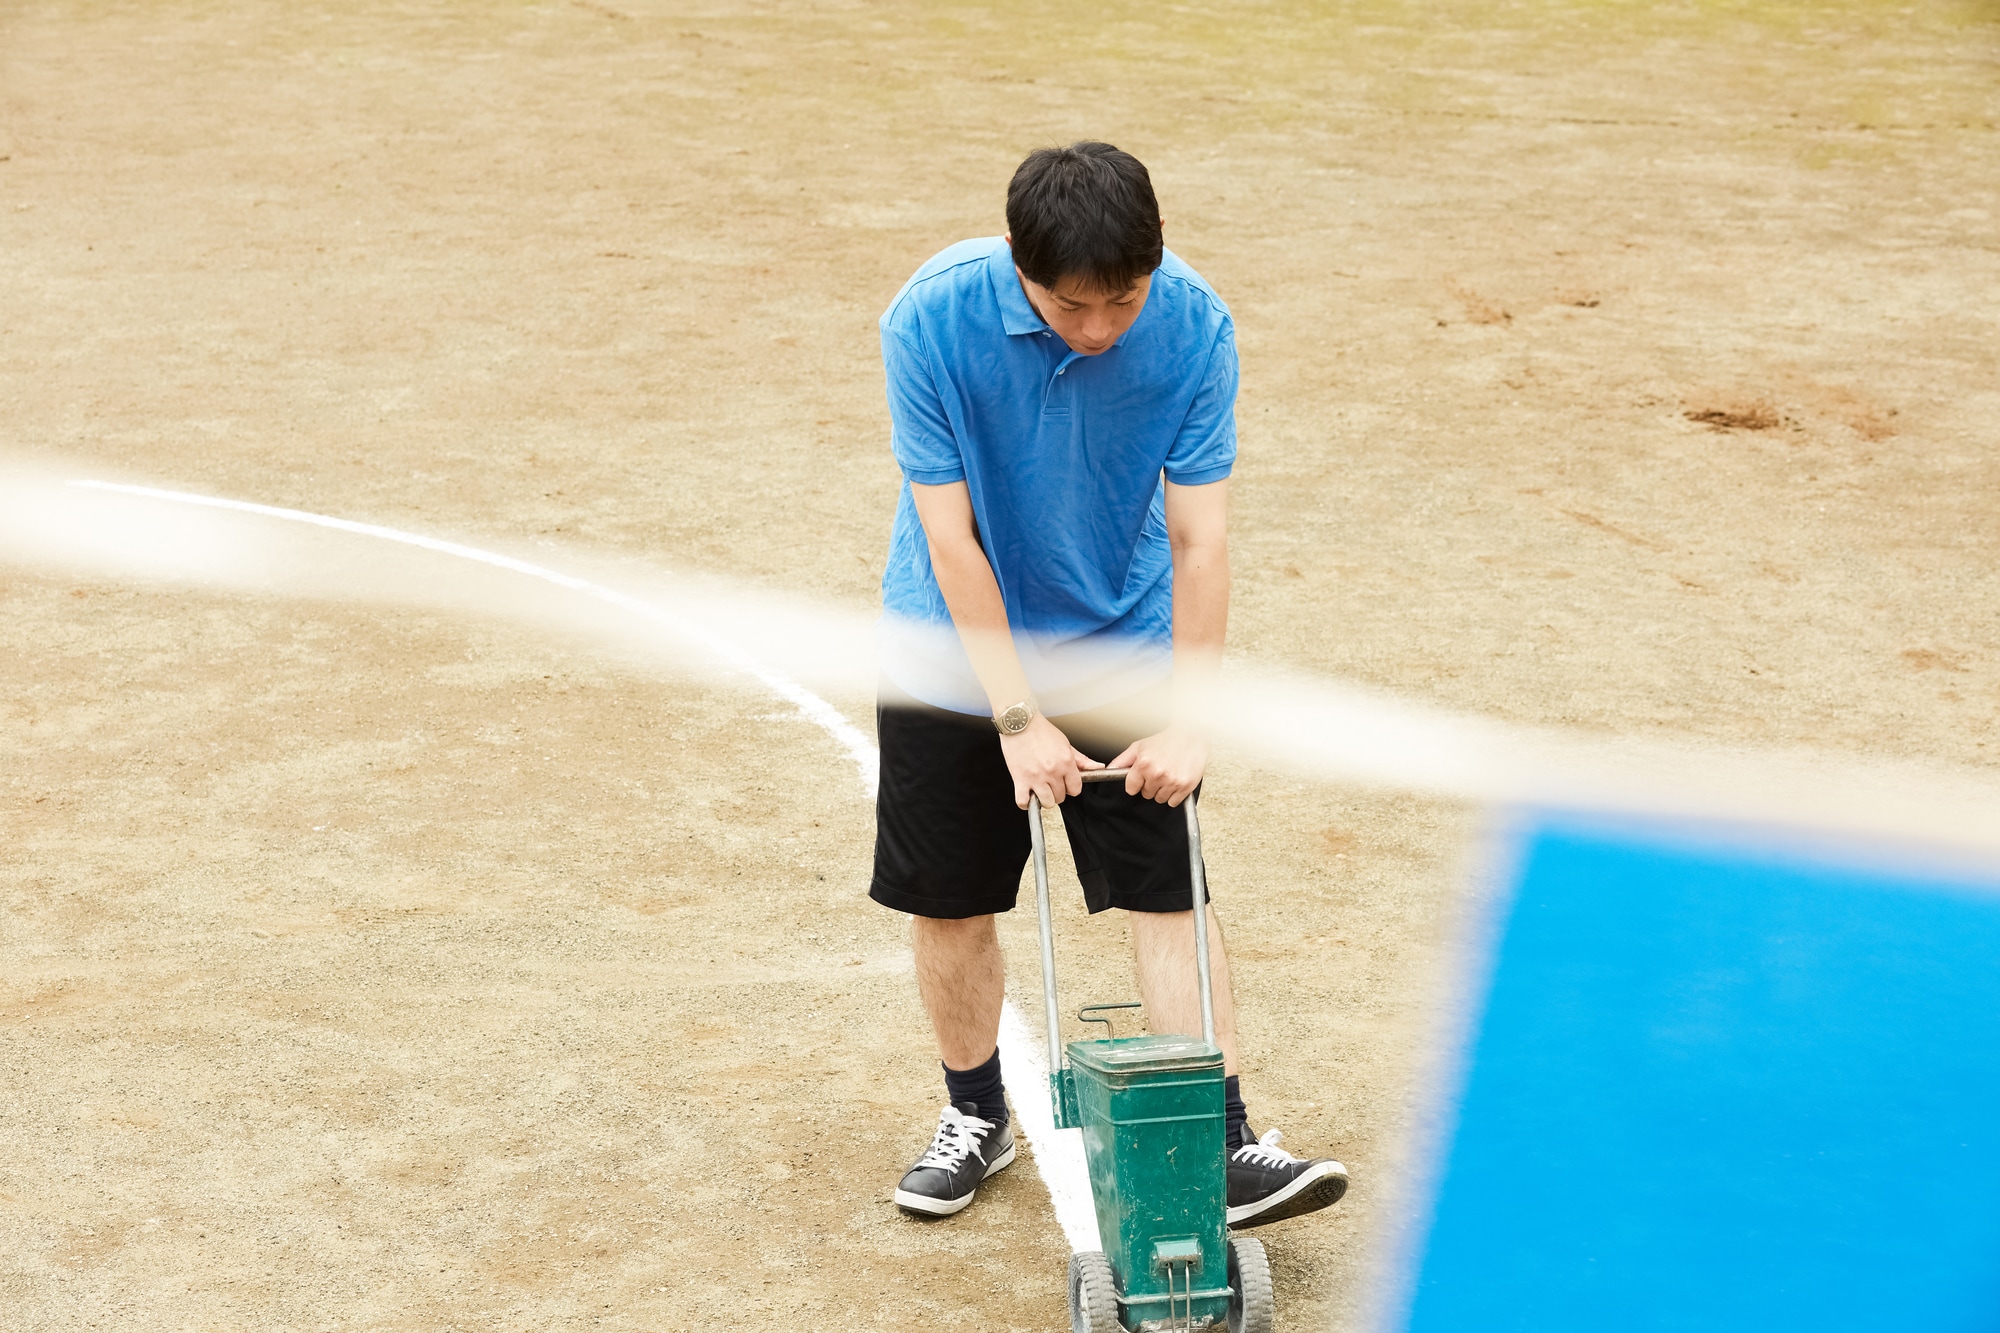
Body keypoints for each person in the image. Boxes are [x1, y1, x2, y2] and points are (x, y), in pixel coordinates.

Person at [871, 141, 1348, 1229]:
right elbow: (950, 542)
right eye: (1066, 307)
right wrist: (1015, 716)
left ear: (1154, 263)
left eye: (1120, 300)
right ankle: (974, 1112)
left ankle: (1219, 1138)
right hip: (948, 646)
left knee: (1167, 890)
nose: (1096, 328)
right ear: (1014, 264)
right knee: (949, 895)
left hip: (1115, 632)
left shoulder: (1192, 327)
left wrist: (1189, 721)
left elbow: (1199, 538)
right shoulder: (930, 320)